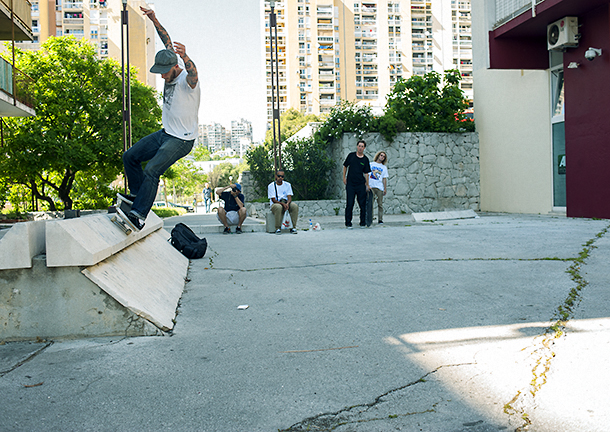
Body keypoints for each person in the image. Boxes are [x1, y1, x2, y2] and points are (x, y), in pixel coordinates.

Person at [120, 6, 200, 231]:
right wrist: (154, 19)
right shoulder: (168, 58)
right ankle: (137, 196)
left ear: (176, 66)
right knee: (130, 157)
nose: (162, 76)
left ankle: (138, 215)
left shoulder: (187, 80)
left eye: (165, 72)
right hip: (165, 134)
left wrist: (187, 57)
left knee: (152, 170)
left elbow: (194, 74)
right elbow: (166, 39)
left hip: (181, 140)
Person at [342, 140, 371, 228]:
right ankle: (348, 223)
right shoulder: (351, 156)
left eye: (362, 146)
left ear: (364, 148)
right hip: (350, 184)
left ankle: (363, 222)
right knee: (350, 203)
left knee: (362, 204)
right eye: (359, 146)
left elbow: (366, 173)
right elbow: (345, 166)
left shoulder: (365, 159)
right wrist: (344, 177)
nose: (360, 148)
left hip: (360, 185)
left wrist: (367, 184)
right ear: (357, 146)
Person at [268, 170, 298, 234]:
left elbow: (289, 197)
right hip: (276, 204)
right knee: (278, 207)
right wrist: (283, 204)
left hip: (285, 202)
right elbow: (273, 200)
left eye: (282, 176)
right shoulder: (271, 186)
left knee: (294, 206)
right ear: (276, 176)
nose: (280, 178)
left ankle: (293, 227)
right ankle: (278, 228)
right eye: (279, 176)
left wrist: (287, 203)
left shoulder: (287, 185)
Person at [369, 151, 389, 225]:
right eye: (381, 155)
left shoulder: (384, 168)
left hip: (379, 187)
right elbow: (367, 175)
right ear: (378, 155)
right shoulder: (371, 164)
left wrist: (385, 188)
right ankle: (370, 218)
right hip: (371, 186)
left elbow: (384, 178)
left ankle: (380, 219)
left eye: (383, 157)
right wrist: (367, 185)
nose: (382, 157)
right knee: (370, 203)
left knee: (380, 204)